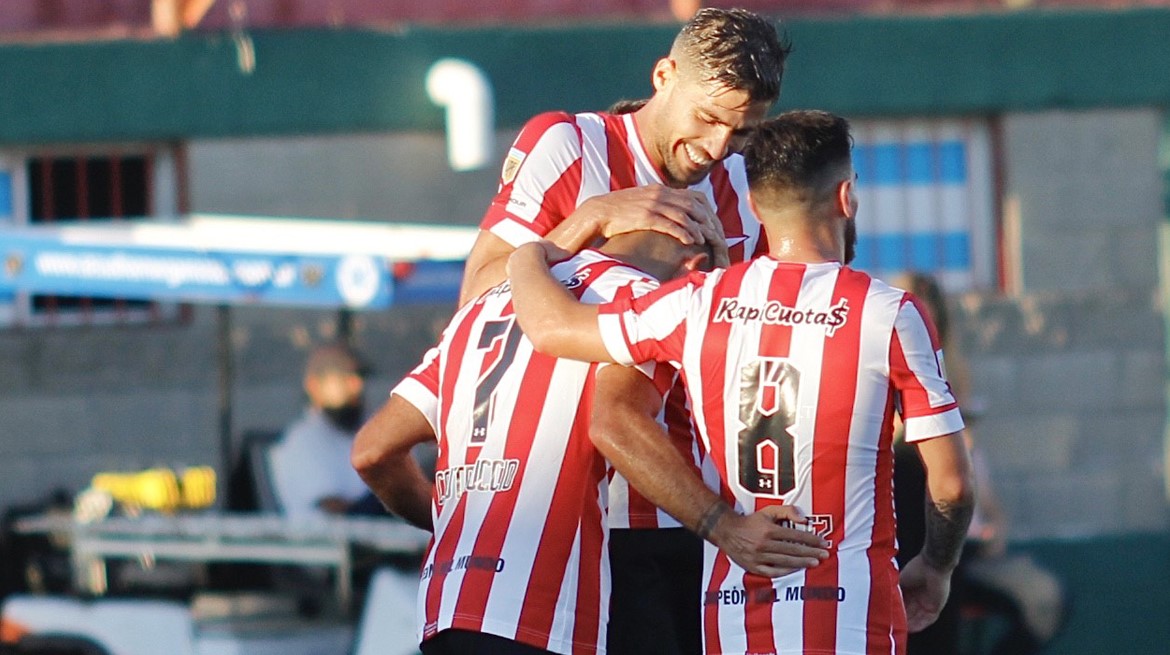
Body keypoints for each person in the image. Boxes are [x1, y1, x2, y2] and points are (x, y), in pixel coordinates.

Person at [506, 110, 977, 653]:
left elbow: (551, 328)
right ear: (846, 197)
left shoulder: (698, 302)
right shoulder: (890, 314)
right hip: (849, 616)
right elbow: (953, 486)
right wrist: (936, 567)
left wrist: (528, 252)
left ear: (753, 206)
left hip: (732, 619)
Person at [457, 9, 792, 652]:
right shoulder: (567, 144)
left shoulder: (743, 191)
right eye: (710, 118)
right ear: (664, 75)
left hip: (687, 509)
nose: (719, 146)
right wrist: (587, 221)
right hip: (580, 510)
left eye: (741, 131)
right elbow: (477, 294)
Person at [351, 229, 829, 655]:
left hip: (446, 601)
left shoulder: (480, 309)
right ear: (695, 264)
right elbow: (615, 423)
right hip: (541, 605)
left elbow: (372, 451)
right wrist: (726, 528)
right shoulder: (640, 299)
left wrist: (451, 523)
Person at [267, 341, 384, 519]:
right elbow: (338, 513)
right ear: (314, 386)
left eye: (360, 377)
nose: (357, 386)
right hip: (326, 545)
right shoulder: (302, 441)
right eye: (345, 378)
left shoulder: (373, 432)